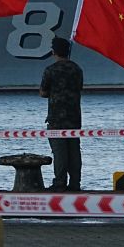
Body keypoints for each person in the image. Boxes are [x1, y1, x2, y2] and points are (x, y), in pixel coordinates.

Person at [40, 37, 83, 192]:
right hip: (74, 116)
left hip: (56, 117)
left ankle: (60, 183)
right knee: (74, 151)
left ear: (53, 51)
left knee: (59, 152)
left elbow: (43, 92)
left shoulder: (50, 70)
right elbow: (79, 88)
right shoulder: (77, 69)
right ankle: (75, 183)